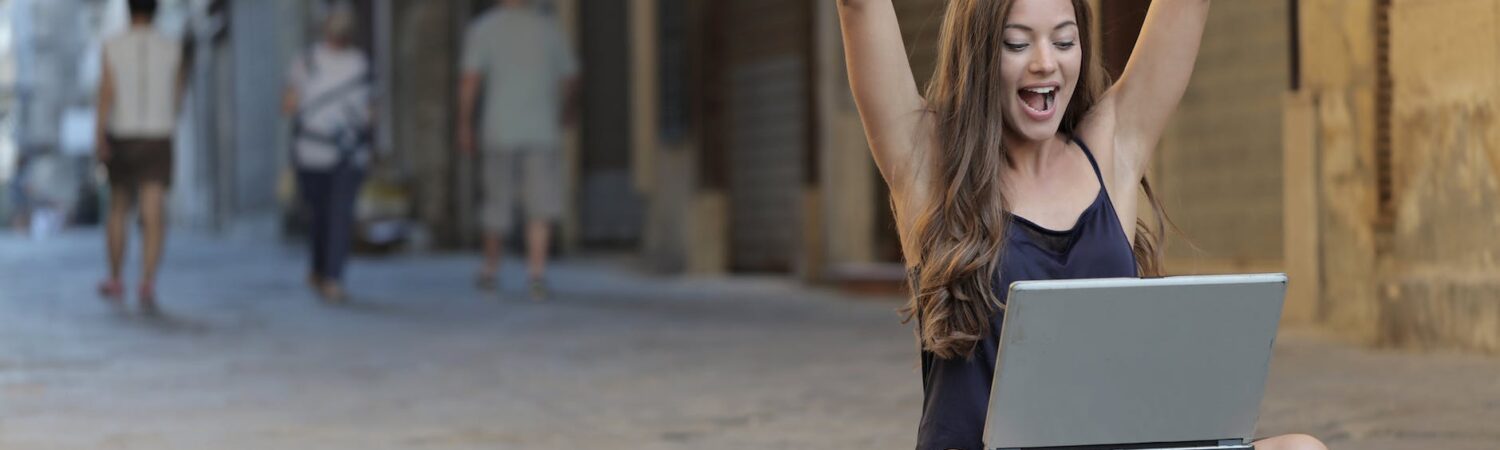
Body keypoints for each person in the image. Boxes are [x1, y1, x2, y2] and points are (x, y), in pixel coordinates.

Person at [835, 1, 1327, 449]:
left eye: (1065, 41)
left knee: (1301, 448)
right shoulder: (929, 164)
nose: (1046, 62)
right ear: (979, 53)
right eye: (1017, 43)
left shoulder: (1110, 147)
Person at [457, 0, 579, 300]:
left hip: (499, 128)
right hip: (542, 128)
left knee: (496, 199)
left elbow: (470, 80)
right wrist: (566, 112)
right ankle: (536, 274)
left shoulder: (484, 28)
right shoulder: (549, 28)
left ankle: (490, 270)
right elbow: (571, 77)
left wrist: (465, 123)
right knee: (541, 203)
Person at [95, 0, 186, 312]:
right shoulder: (172, 47)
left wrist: (99, 136)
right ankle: (147, 280)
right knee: (153, 208)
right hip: (159, 133)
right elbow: (177, 95)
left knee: (119, 207)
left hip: (124, 133)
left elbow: (106, 93)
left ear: (129, 10)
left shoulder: (113, 46)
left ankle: (116, 277)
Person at [281, 2, 374, 303]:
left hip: (320, 151)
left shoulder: (307, 61)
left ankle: (329, 275)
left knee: (330, 215)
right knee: (330, 216)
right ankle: (324, 273)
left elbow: (288, 106)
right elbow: (372, 112)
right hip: (337, 152)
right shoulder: (359, 62)